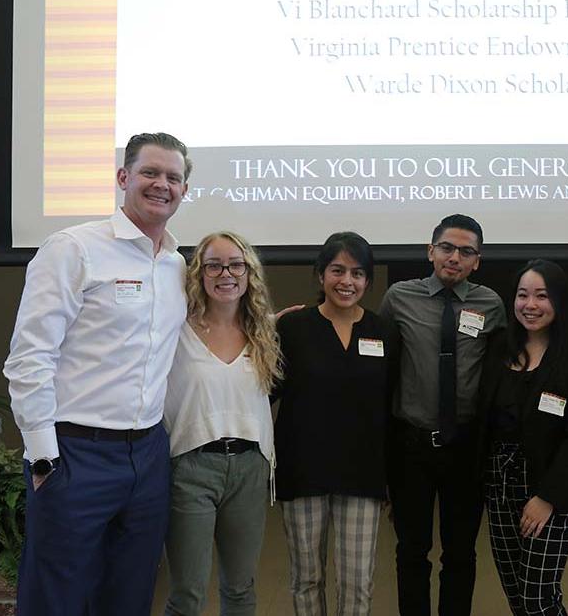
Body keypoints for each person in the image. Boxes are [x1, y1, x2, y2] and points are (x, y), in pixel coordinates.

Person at [4, 132, 191, 615]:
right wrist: (43, 457)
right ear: (123, 178)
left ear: (185, 190)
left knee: (128, 597)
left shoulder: (176, 265)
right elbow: (30, 356)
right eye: (150, 172)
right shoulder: (73, 249)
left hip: (148, 455)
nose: (161, 185)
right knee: (56, 598)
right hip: (75, 453)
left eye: (173, 177)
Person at [380, 213, 506, 616]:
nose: (455, 257)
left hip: (466, 449)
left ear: (477, 261)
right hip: (411, 444)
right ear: (430, 251)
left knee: (461, 552)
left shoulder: (491, 304)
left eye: (466, 251)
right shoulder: (399, 297)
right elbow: (381, 368)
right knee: (412, 549)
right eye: (447, 248)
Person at [273, 231, 397, 616]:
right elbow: (266, 390)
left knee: (357, 581)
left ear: (368, 281)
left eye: (358, 273)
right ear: (320, 275)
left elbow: (392, 407)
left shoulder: (385, 333)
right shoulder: (293, 329)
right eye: (337, 270)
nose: (348, 281)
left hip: (362, 474)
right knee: (306, 578)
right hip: (303, 470)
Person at [475, 260, 568, 616]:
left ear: (560, 302)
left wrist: (546, 497)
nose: (530, 305)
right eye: (522, 295)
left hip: (552, 488)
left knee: (538, 597)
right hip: (499, 485)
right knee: (516, 591)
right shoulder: (498, 348)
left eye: (541, 296)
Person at [162, 231, 283, 616]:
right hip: (191, 468)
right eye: (213, 264)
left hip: (250, 466)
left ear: (249, 273)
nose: (225, 273)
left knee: (241, 588)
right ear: (199, 272)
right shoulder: (175, 328)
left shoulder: (264, 332)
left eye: (235, 264)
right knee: (188, 593)